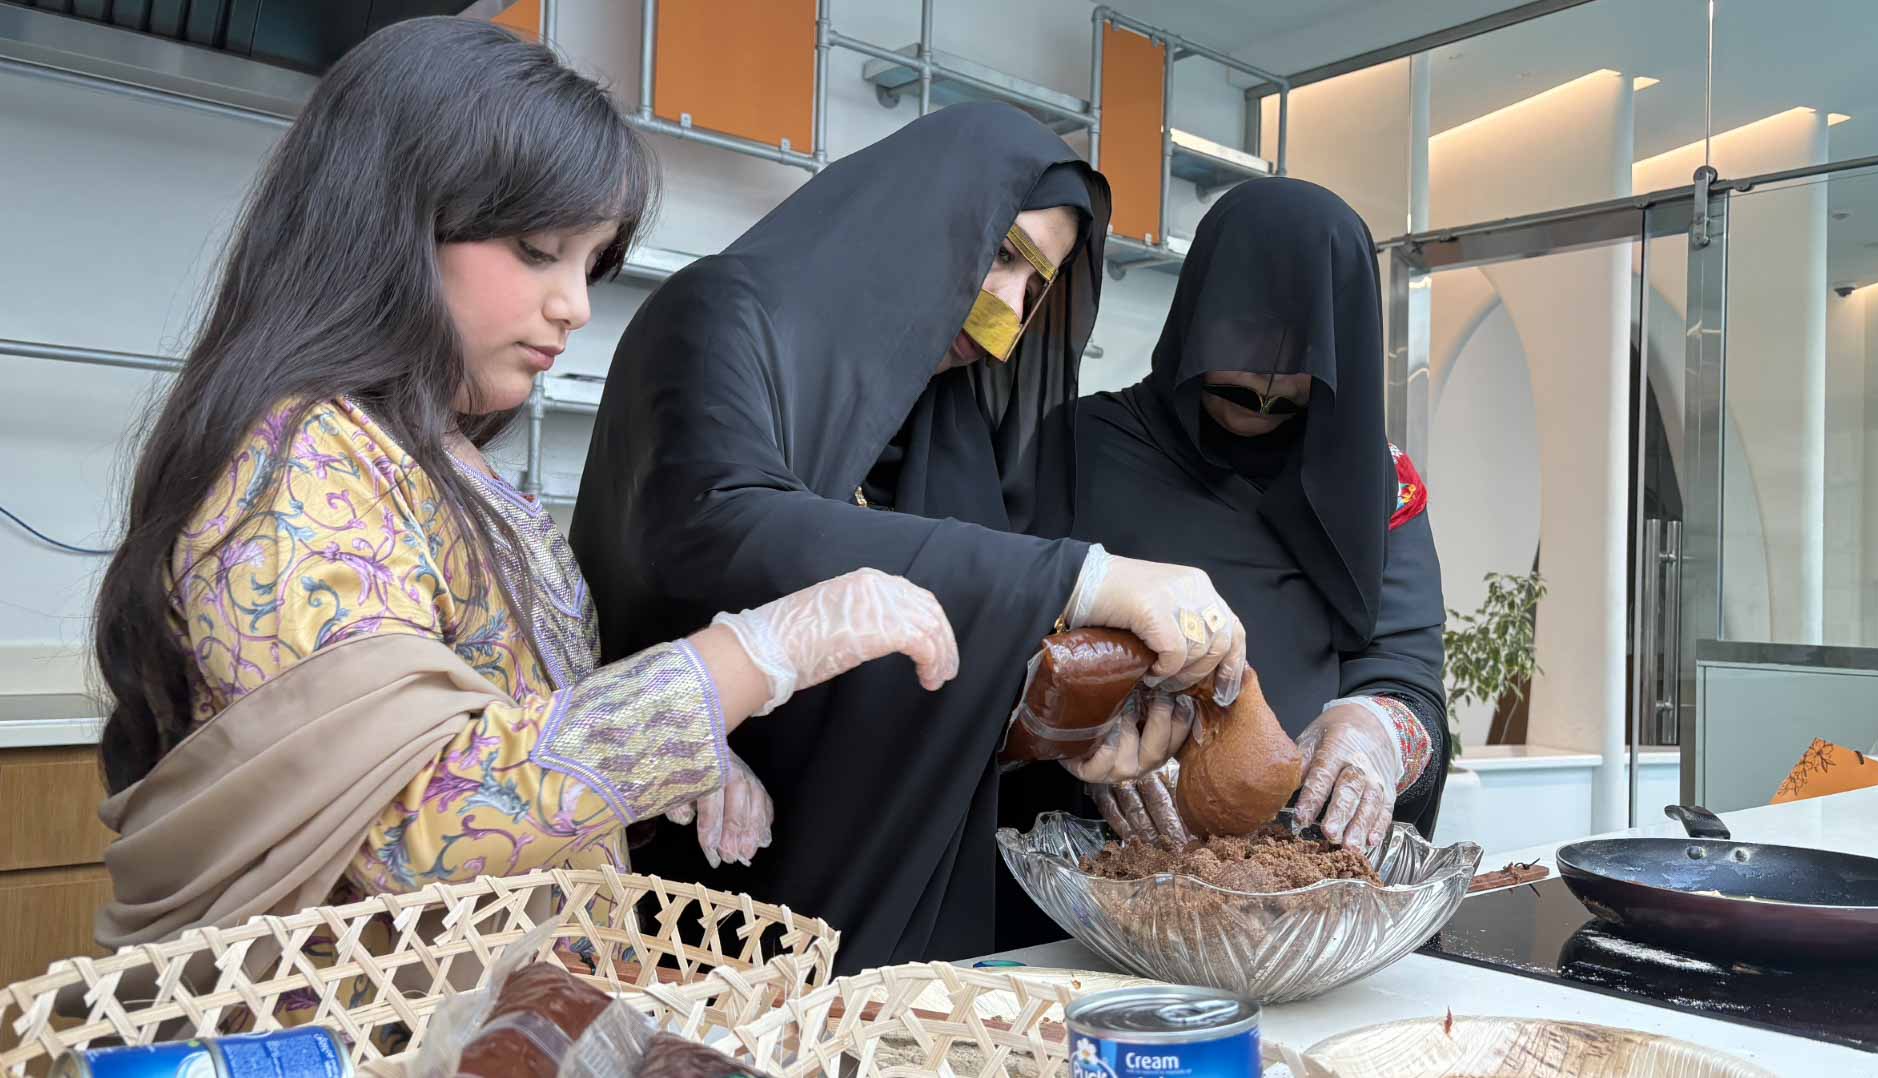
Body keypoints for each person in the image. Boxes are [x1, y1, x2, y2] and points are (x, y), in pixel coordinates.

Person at [87, 16, 958, 957]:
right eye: (540, 250)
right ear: (393, 221)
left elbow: (505, 713)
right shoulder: (305, 462)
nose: (574, 306)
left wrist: (680, 749)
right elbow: (415, 828)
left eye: (592, 262)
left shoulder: (433, 457)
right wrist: (751, 657)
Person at [570, 102, 1247, 972]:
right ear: (921, 216)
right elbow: (715, 526)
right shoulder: (723, 314)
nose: (1007, 309)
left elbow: (947, 654)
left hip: (891, 897)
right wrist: (1083, 579)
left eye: (1035, 289)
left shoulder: (948, 421)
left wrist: (1058, 730)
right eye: (1000, 255)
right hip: (700, 875)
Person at [1073, 178, 1448, 853]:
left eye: (1293, 401)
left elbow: (1403, 663)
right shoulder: (1076, 448)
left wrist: (1374, 732)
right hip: (1105, 853)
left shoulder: (1380, 486)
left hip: (1293, 858)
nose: (1259, 410)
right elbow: (1010, 617)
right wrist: (1087, 715)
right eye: (1230, 390)